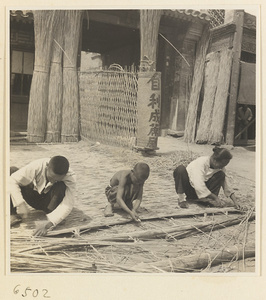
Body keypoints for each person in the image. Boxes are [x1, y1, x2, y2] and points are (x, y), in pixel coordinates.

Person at [10, 156, 76, 236]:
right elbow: (12, 181)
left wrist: (50, 222)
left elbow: (68, 203)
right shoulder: (37, 165)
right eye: (51, 177)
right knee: (11, 172)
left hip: (50, 203)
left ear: (65, 174)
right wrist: (20, 203)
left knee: (61, 185)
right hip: (34, 198)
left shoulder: (70, 176)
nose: (52, 181)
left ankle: (51, 215)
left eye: (56, 180)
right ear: (47, 167)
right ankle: (12, 214)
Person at [173, 147, 240, 209]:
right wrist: (215, 197)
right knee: (180, 169)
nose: (222, 167)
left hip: (204, 193)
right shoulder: (200, 163)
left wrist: (235, 202)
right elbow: (198, 185)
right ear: (214, 160)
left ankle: (207, 200)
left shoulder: (220, 168)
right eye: (221, 165)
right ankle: (181, 200)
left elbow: (226, 186)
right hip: (190, 189)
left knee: (221, 175)